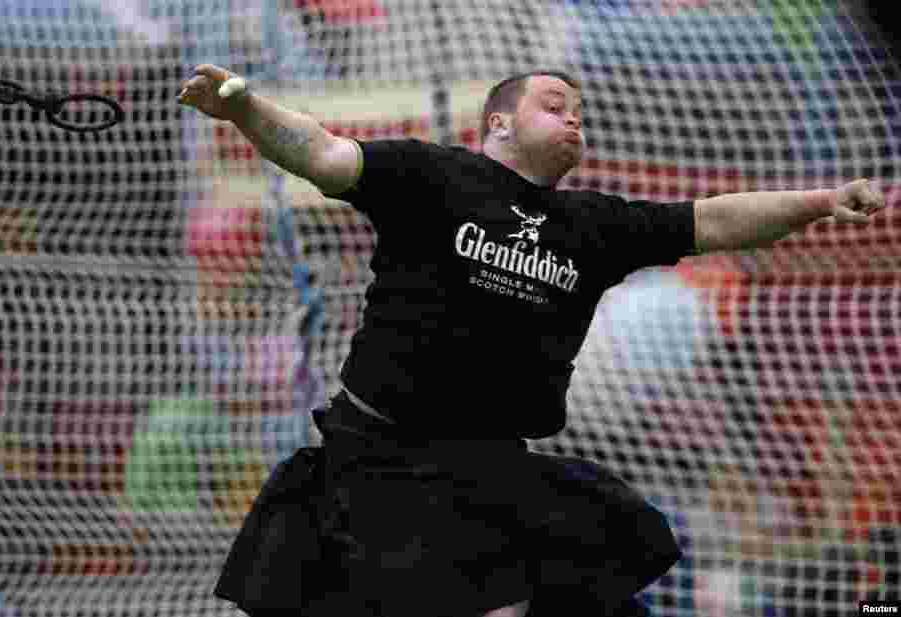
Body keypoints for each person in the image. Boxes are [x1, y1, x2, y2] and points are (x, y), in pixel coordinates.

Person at [176, 66, 886, 617]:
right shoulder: (432, 175)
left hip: (490, 464)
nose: (573, 115)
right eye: (553, 103)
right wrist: (244, 107)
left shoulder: (594, 225)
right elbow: (325, 155)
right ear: (500, 123)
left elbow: (721, 220)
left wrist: (821, 203)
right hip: (382, 457)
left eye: (579, 108)